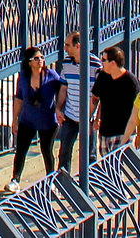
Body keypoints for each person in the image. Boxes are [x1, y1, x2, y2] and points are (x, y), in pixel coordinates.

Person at [8, 47, 63, 190]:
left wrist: (59, 108)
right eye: (36, 58)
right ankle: (15, 180)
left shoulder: (51, 75)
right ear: (29, 62)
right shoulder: (24, 78)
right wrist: (15, 119)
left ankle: (51, 179)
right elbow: (19, 98)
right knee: (20, 150)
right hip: (28, 120)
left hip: (48, 121)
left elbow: (63, 90)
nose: (40, 61)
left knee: (47, 150)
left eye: (42, 58)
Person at [91, 47, 139, 158]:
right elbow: (97, 100)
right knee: (107, 166)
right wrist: (95, 119)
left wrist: (139, 134)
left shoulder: (130, 81)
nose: (101, 63)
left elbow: (139, 108)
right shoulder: (103, 76)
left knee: (116, 165)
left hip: (123, 131)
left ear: (113, 63)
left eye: (104, 60)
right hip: (105, 131)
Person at [56, 32, 86, 173]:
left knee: (88, 154)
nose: (65, 48)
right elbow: (63, 88)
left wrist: (96, 117)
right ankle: (63, 185)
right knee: (64, 153)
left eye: (68, 45)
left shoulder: (95, 65)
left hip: (87, 118)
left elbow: (97, 95)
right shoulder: (67, 63)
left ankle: (88, 184)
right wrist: (58, 109)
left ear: (78, 46)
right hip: (70, 115)